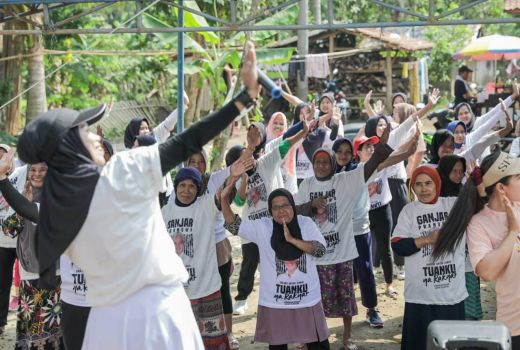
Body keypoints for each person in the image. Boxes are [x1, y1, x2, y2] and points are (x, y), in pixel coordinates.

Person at [14, 41, 262, 349]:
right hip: (158, 315)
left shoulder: (55, 211)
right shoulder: (124, 169)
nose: (95, 135)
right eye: (86, 131)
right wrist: (245, 97)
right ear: (71, 147)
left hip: (104, 324)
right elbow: (187, 141)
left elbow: (49, 277)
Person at [295, 125, 393, 350]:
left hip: (341, 254)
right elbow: (294, 211)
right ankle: (309, 336)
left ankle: (347, 338)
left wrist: (382, 146)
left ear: (332, 164)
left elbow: (370, 167)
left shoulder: (344, 181)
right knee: (311, 300)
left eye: (325, 162)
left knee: (346, 300)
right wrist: (311, 205)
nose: (321, 165)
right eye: (317, 162)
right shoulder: (307, 184)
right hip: (315, 257)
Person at [222, 187, 330, 350]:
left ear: (293, 206)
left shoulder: (305, 223)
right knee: (278, 347)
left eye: (285, 205)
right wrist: (223, 200)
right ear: (270, 211)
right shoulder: (263, 227)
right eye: (276, 207)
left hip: (307, 300)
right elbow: (233, 225)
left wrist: (293, 240)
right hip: (276, 303)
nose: (281, 211)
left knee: (318, 345)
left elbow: (320, 250)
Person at [432, 151, 520, 349]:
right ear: (500, 187)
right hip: (515, 325)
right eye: (519, 177)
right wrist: (513, 231)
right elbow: (487, 272)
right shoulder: (480, 224)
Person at [231, 120, 309, 315]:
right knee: (249, 264)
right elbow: (240, 203)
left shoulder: (267, 162)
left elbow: (285, 145)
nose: (246, 160)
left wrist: (303, 133)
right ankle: (242, 298)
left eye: (248, 156)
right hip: (250, 228)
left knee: (277, 262)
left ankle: (279, 295)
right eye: (243, 158)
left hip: (272, 225)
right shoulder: (238, 175)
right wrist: (244, 180)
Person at [391, 166, 467, 350]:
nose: (424, 189)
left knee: (451, 344)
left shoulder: (452, 204)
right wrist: (427, 239)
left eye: (428, 183)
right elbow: (398, 245)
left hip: (451, 295)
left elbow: (479, 202)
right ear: (412, 188)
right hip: (420, 297)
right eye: (418, 184)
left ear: (437, 184)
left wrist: (475, 180)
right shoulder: (409, 211)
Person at [186, 150, 253, 349]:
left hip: (216, 244)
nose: (197, 165)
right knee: (196, 289)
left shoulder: (213, 181)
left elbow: (233, 170)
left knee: (222, 288)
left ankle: (229, 333)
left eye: (200, 162)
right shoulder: (181, 186)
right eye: (192, 161)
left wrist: (249, 147)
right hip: (193, 248)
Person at [0, 160, 65, 349]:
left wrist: (24, 206)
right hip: (29, 274)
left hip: (56, 273)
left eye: (43, 170)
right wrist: (22, 207)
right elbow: (9, 230)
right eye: (33, 170)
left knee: (53, 327)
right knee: (32, 329)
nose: (37, 174)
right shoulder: (21, 198)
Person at [436, 155, 483, 320]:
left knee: (469, 305)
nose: (458, 175)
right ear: (444, 171)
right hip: (446, 261)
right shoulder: (435, 199)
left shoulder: (465, 193)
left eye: (461, 172)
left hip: (466, 257)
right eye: (454, 171)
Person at [0, 145, 26, 336]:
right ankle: (1, 322)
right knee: (2, 282)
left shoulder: (21, 175)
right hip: (1, 242)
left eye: (4, 157)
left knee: (26, 281)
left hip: (22, 240)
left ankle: (26, 322)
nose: (3, 161)